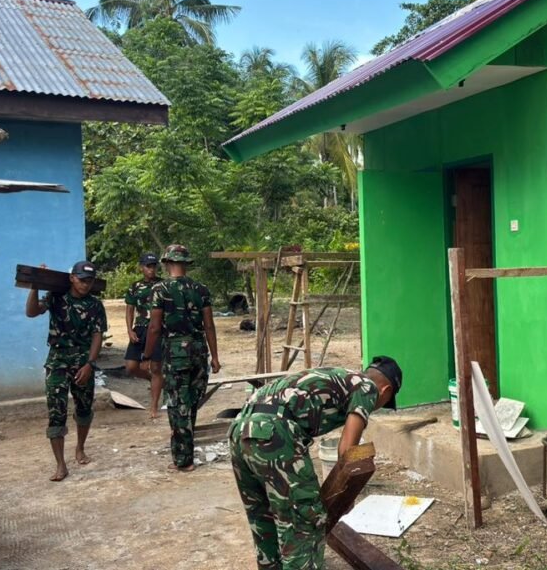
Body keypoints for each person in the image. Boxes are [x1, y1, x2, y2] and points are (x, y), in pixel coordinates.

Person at [230, 356, 403, 570]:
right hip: (275, 432)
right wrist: (345, 494)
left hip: (240, 429)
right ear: (385, 391)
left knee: (262, 517)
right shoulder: (367, 387)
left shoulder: (339, 376)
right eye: (384, 404)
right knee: (303, 520)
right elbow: (347, 451)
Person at [25, 260, 107, 482]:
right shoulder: (56, 297)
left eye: (90, 280)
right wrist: (36, 285)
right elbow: (31, 312)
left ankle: (80, 447)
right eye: (82, 279)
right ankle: (61, 464)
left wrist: (90, 364)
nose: (86, 284)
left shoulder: (95, 305)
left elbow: (98, 335)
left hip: (83, 363)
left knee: (84, 409)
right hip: (58, 361)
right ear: (72, 278)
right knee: (56, 413)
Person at [144, 244, 220, 472]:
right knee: (192, 402)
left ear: (166, 263)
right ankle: (185, 452)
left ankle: (183, 459)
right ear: (186, 264)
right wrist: (215, 357)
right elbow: (209, 325)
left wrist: (148, 354)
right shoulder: (201, 289)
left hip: (175, 352)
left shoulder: (160, 290)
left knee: (178, 405)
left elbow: (155, 327)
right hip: (198, 349)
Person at [124, 252, 164, 418]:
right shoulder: (135, 287)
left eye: (154, 266)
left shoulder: (163, 285)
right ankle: (157, 381)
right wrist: (129, 330)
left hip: (157, 329)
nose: (151, 269)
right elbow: (129, 309)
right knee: (131, 367)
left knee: (155, 368)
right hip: (140, 328)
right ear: (141, 267)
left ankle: (154, 407)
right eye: (148, 266)